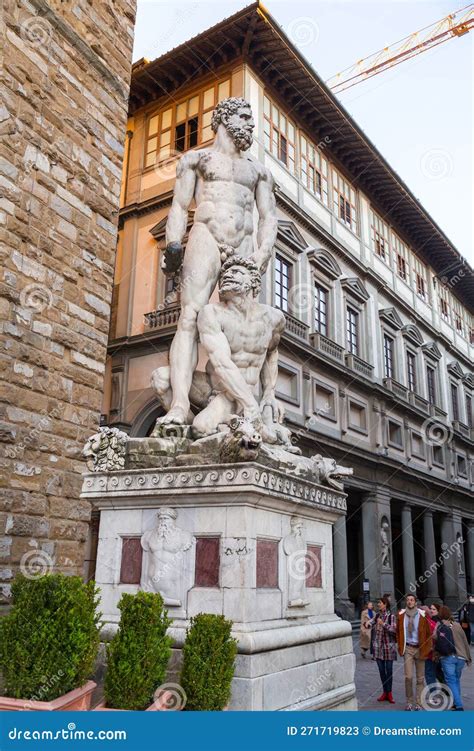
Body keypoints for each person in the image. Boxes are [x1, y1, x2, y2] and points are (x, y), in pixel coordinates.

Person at [156, 97, 278, 426]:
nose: (251, 124)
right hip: (207, 235)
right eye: (244, 116)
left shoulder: (258, 171)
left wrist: (261, 254)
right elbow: (180, 207)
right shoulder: (196, 160)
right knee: (189, 317)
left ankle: (243, 405)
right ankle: (180, 404)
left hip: (244, 245)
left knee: (247, 322)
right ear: (223, 118)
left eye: (252, 119)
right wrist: (172, 245)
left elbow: (268, 217)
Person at [397, 593, 432, 711]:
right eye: (408, 600)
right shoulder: (401, 615)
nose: (410, 602)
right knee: (408, 676)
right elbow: (398, 632)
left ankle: (419, 702)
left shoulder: (422, 616)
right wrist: (400, 645)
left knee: (420, 678)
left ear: (415, 602)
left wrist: (427, 648)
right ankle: (409, 701)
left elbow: (428, 634)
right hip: (408, 648)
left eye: (412, 600)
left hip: (420, 648)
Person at [433, 605, 471, 711]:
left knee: (451, 681)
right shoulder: (457, 625)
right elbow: (465, 642)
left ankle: (458, 705)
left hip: (447, 657)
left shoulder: (439, 624)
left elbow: (434, 637)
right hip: (461, 657)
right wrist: (468, 657)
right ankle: (455, 703)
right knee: (456, 680)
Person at [372, 596, 397, 703]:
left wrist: (383, 624)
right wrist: (367, 624)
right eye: (378, 603)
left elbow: (394, 630)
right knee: (382, 671)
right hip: (378, 648)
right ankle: (384, 692)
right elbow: (369, 624)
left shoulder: (391, 616)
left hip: (388, 647)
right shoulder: (377, 615)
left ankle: (390, 693)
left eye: (380, 603)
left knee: (389, 671)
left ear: (385, 604)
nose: (378, 604)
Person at [420, 605, 437, 690]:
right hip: (432, 652)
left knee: (429, 674)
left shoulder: (425, 624)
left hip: (428, 653)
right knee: (433, 673)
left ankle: (433, 693)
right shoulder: (433, 623)